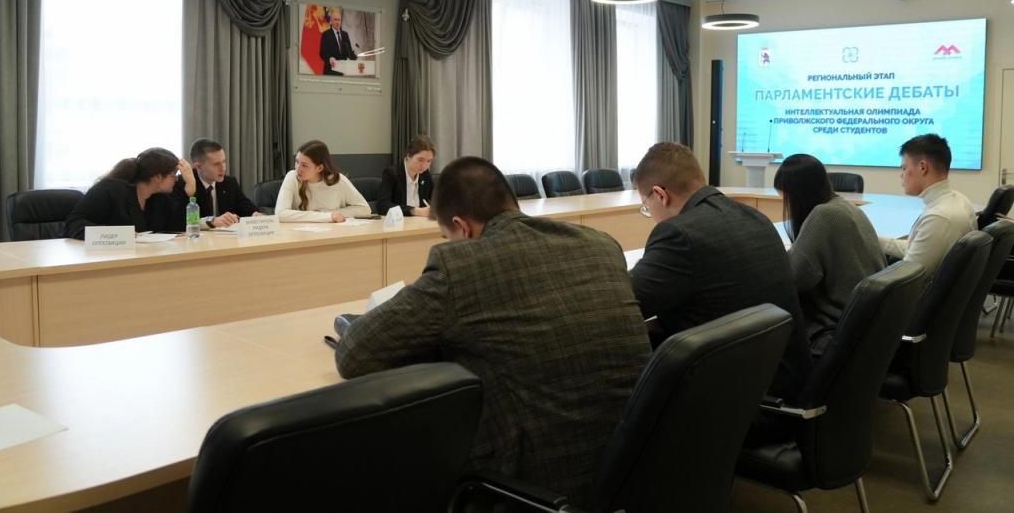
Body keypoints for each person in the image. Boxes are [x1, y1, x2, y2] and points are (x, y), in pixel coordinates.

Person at [335, 157, 652, 506]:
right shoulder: (601, 245)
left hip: (534, 487)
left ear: (462, 228)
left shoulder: (460, 265)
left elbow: (355, 355)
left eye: (447, 236)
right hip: (636, 473)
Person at [629, 142, 811, 402]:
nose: (650, 214)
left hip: (739, 402)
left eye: (646, 207)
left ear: (660, 195)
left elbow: (628, 301)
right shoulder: (754, 217)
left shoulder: (679, 234)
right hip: (786, 383)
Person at [773, 154, 885, 351]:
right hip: (867, 326)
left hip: (835, 330)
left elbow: (794, 279)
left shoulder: (823, 215)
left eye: (786, 198)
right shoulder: (847, 207)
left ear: (798, 194)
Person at [880, 133, 976, 278]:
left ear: (923, 167)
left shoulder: (939, 217)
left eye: (904, 168)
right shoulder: (959, 200)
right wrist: (870, 238)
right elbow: (917, 249)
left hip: (916, 290)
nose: (901, 175)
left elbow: (906, 279)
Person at [64, 147, 194, 240]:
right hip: (101, 258)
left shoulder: (159, 198)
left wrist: (190, 191)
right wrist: (120, 234)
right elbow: (73, 224)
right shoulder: (110, 189)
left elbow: (177, 228)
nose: (176, 179)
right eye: (173, 175)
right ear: (158, 177)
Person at [274, 140, 370, 222]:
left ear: (319, 168)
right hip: (300, 235)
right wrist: (327, 216)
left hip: (334, 233)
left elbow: (365, 209)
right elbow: (280, 214)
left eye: (304, 165)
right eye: (297, 162)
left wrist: (333, 214)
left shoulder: (338, 180)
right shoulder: (292, 177)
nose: (298, 169)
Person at [186, 138, 262, 229]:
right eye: (216, 164)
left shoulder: (229, 183)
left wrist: (255, 214)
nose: (223, 168)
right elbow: (180, 221)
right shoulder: (185, 183)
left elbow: (245, 206)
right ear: (199, 167)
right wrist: (212, 221)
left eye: (224, 162)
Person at [376, 134, 435, 217]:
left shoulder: (425, 174)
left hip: (420, 222)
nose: (424, 165)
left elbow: (438, 198)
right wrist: (414, 211)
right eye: (420, 160)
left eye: (429, 161)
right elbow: (382, 206)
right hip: (400, 222)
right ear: (409, 155)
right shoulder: (392, 173)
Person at [318, 8, 357, 75]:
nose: (337, 22)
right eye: (335, 20)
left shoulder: (345, 35)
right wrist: (330, 59)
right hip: (329, 71)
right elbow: (322, 53)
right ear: (331, 21)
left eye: (339, 20)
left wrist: (355, 55)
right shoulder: (326, 34)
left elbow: (348, 52)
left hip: (341, 72)